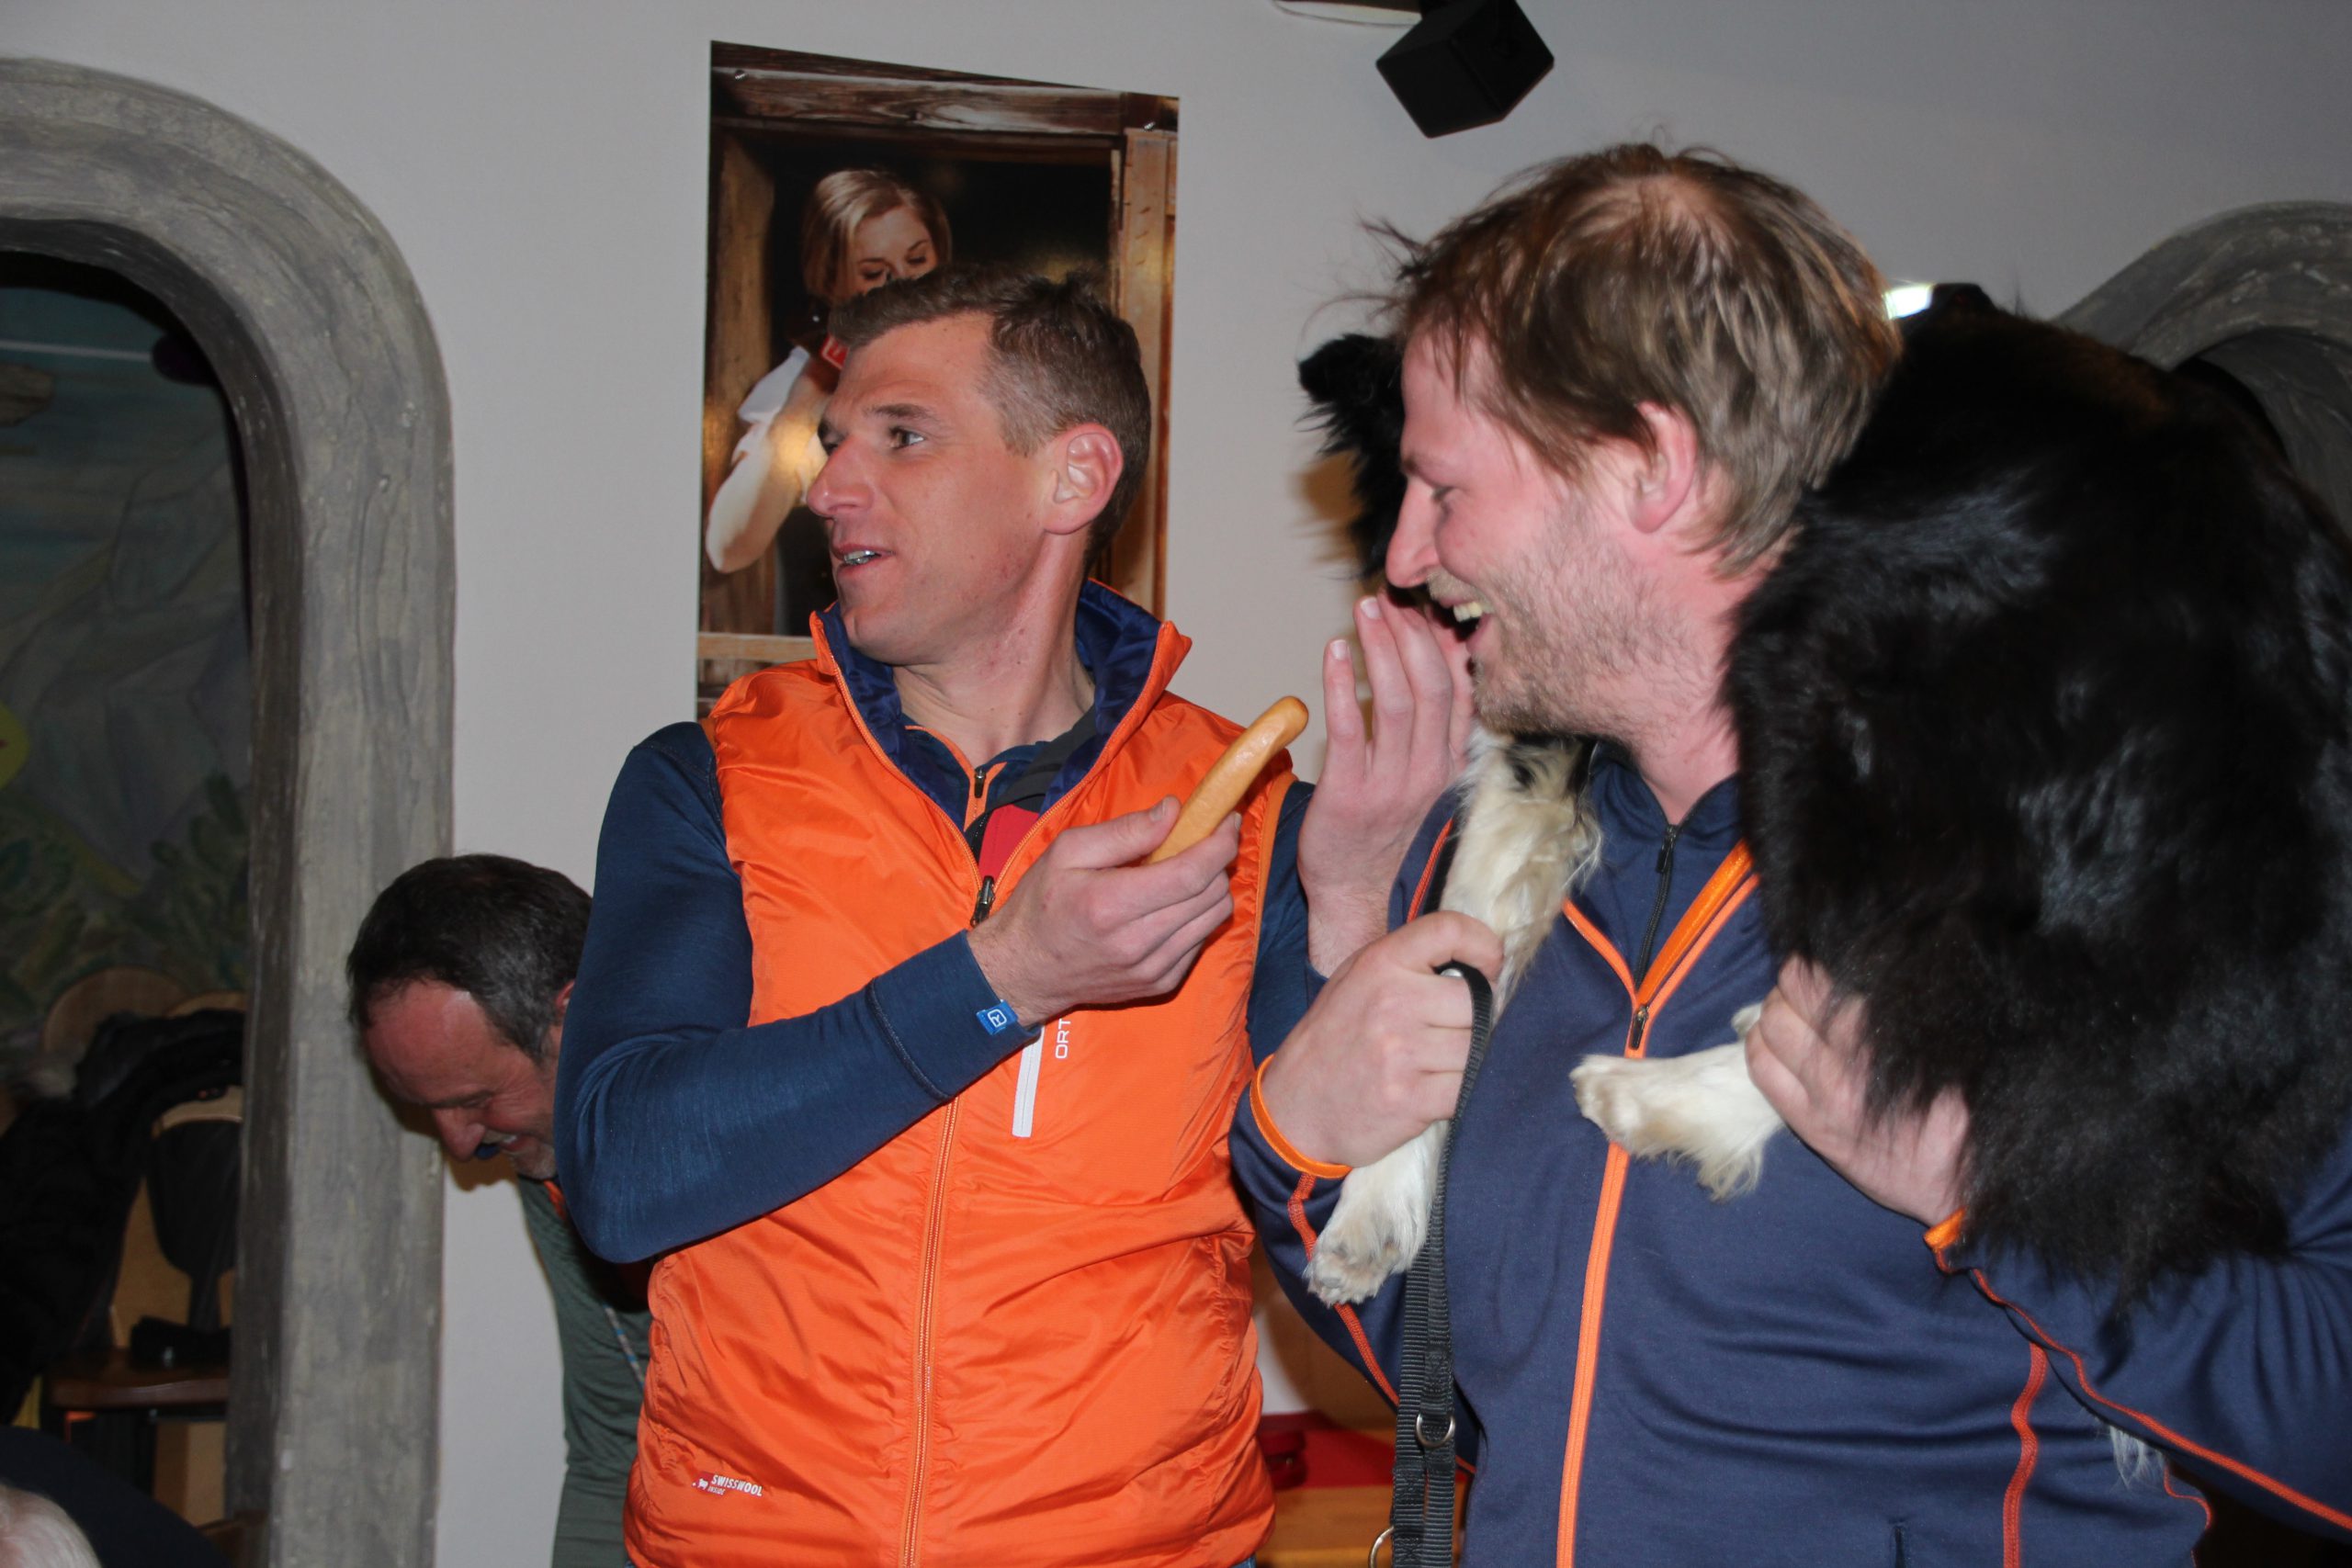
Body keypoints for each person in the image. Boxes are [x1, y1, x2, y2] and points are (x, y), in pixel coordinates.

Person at [1237, 142, 2352, 1563]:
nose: (1403, 554)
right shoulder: (1492, 865)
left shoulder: (2083, 858)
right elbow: (1476, 1388)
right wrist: (1302, 1131)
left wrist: (1991, 1201)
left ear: (1650, 468)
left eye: (1445, 489)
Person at [345, 855, 650, 1568]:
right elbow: (616, 1444)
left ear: (577, 1017)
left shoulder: (746, 1135)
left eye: (475, 1098)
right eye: (427, 1107)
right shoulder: (546, 1146)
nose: (459, 1142)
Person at [703, 168, 951, 615]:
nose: (906, 286)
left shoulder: (982, 358)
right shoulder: (808, 381)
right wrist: (807, 396)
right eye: (874, 272)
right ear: (831, 280)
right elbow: (729, 547)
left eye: (917, 260)